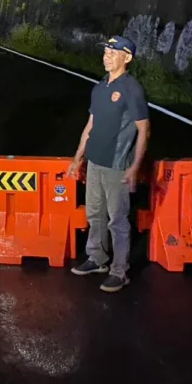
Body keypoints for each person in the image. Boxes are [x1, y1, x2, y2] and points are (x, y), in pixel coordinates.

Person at [69, 35, 150, 293]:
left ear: (127, 58)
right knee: (94, 213)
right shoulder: (100, 87)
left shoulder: (131, 88)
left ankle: (119, 271)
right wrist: (78, 157)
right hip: (95, 161)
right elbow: (90, 125)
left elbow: (144, 130)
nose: (106, 55)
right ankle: (97, 258)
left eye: (113, 52)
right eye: (105, 51)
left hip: (117, 165)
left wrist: (134, 167)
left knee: (117, 220)